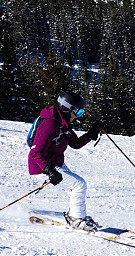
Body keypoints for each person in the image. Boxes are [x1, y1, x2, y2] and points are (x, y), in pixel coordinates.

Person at [28, 91, 102, 231]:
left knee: (75, 186)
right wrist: (49, 171)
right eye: (78, 112)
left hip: (55, 164)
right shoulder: (50, 124)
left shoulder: (62, 123)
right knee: (79, 184)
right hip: (42, 166)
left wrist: (90, 134)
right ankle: (76, 220)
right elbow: (35, 152)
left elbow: (75, 143)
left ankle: (75, 215)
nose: (79, 116)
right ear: (67, 109)